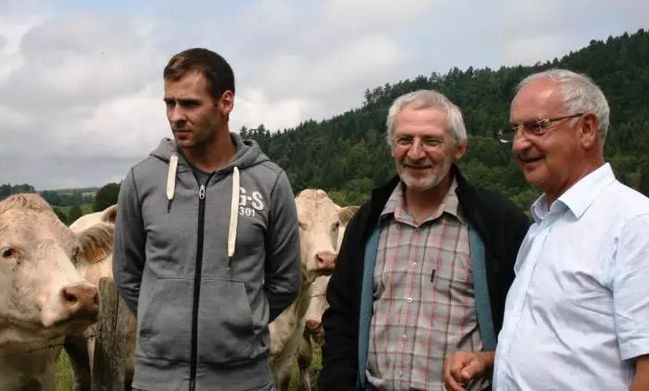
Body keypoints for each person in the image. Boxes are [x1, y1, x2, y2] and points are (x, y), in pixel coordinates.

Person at [444, 69, 649, 391]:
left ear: (586, 129)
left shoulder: (633, 224)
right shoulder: (543, 225)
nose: (519, 144)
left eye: (536, 127)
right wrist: (490, 361)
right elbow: (566, 345)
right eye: (514, 130)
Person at [112, 47, 302, 391]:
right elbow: (127, 273)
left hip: (244, 380)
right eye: (170, 103)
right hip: (157, 380)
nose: (176, 116)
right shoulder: (142, 180)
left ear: (225, 102)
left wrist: (240, 323)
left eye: (190, 103)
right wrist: (162, 319)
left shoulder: (270, 182)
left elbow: (286, 280)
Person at [319, 89, 531, 391]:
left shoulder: (498, 223)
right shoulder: (368, 223)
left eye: (431, 141)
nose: (415, 153)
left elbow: (529, 325)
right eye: (404, 140)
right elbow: (341, 318)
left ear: (459, 149)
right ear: (392, 147)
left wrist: (487, 360)